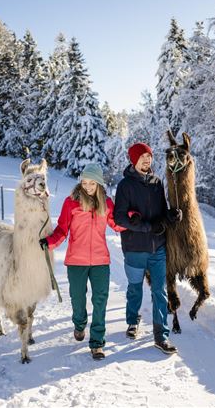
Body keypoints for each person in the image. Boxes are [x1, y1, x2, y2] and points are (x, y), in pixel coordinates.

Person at [39, 163, 125, 360]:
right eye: (84, 182)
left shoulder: (107, 204)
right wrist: (49, 242)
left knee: (100, 300)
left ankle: (97, 343)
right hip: (76, 261)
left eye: (91, 183)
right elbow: (62, 230)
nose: (87, 186)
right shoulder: (71, 203)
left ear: (99, 183)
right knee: (78, 299)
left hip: (101, 261)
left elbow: (117, 224)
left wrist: (134, 218)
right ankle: (79, 324)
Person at [113, 142, 182, 355]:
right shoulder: (125, 185)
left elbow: (160, 213)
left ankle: (161, 336)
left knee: (159, 291)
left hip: (157, 247)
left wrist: (170, 216)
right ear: (133, 160)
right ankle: (132, 321)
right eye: (142, 156)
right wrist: (145, 227)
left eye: (149, 156)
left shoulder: (156, 183)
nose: (147, 159)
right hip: (134, 248)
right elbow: (120, 217)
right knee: (135, 288)